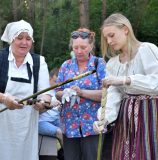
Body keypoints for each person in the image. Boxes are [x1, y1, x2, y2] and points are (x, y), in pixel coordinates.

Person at [0, 19, 52, 160]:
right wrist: (5, 99)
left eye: (28, 38)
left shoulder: (39, 62)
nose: (24, 42)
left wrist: (43, 103)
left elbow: (46, 94)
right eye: (20, 38)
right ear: (11, 39)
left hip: (24, 124)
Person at [93, 13, 158, 160]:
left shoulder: (147, 50)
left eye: (111, 35)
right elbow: (113, 95)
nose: (109, 41)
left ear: (125, 30)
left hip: (151, 115)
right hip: (126, 121)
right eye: (106, 38)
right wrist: (104, 119)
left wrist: (126, 80)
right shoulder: (113, 64)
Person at [55, 28, 106, 160]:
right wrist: (64, 93)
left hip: (93, 126)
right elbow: (57, 92)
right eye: (75, 47)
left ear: (91, 46)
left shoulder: (99, 64)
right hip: (70, 127)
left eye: (83, 47)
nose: (78, 51)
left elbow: (106, 94)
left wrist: (82, 92)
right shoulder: (66, 66)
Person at [38, 67, 63, 145]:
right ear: (49, 78)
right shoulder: (42, 90)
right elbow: (37, 112)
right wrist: (50, 106)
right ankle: (67, 155)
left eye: (59, 82)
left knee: (69, 130)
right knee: (60, 133)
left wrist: (60, 108)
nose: (57, 84)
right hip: (41, 122)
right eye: (55, 81)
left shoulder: (59, 91)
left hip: (55, 120)